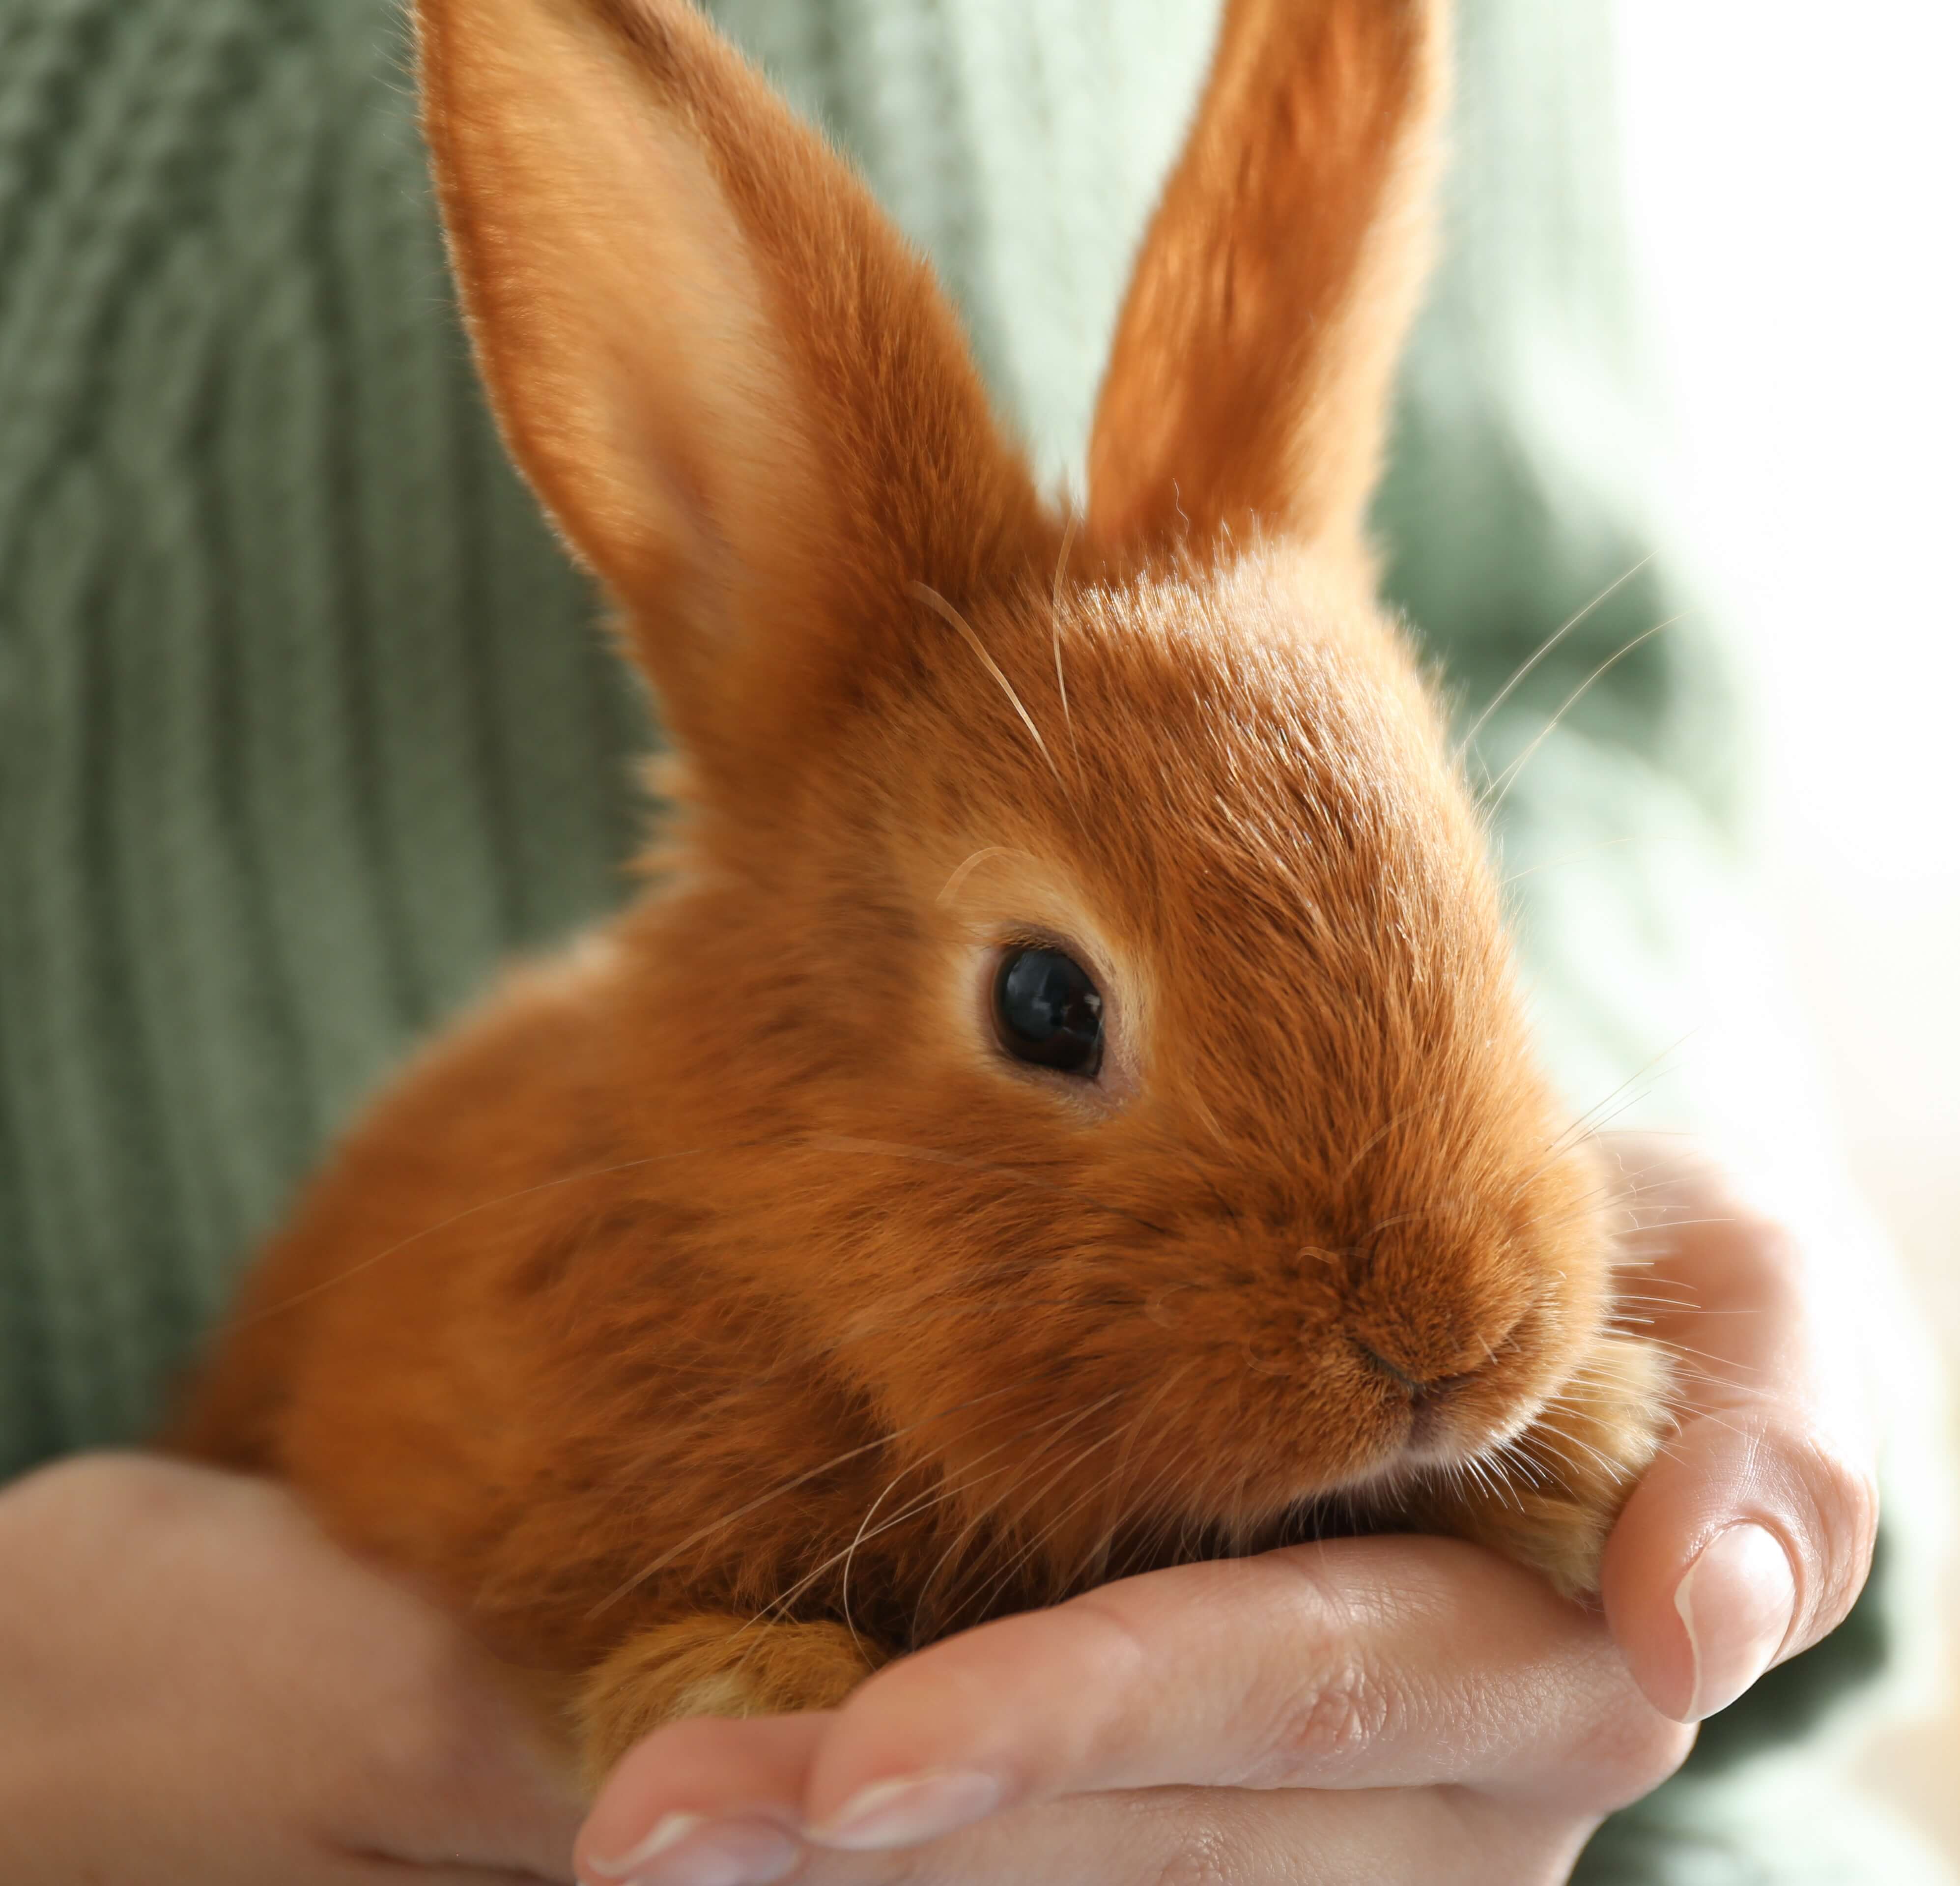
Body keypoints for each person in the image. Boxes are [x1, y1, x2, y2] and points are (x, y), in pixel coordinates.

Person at [0, 0, 1946, 1880]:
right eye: (1046, 1010)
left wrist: (1663, 1464)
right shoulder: (611, 1321)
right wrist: (670, 1655)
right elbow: (406, 1466)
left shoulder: (1421, 1302)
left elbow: (1570, 707)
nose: (1424, 1319)